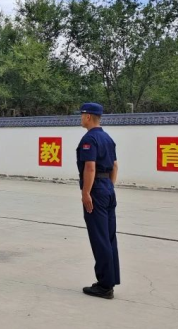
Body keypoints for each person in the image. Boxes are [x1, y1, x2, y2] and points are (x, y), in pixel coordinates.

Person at [77, 102, 120, 299]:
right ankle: (110, 280)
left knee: (99, 237)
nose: (80, 118)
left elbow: (90, 167)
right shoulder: (107, 138)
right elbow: (115, 166)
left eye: (81, 115)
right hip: (107, 188)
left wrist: (86, 192)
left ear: (88, 116)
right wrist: (109, 186)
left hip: (96, 190)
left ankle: (104, 286)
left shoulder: (90, 138)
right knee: (109, 237)